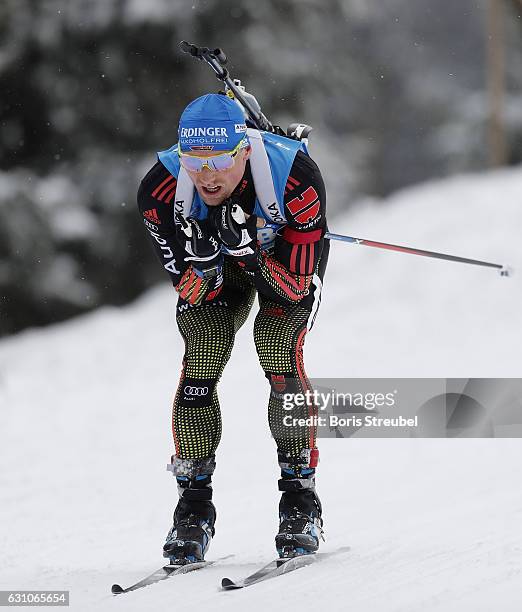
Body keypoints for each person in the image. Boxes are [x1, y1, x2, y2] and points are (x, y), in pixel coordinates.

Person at [137, 92, 329, 563]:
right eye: (193, 160)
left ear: (245, 149)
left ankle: (300, 500)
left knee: (277, 345)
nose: (206, 175)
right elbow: (190, 291)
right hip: (223, 272)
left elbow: (293, 287)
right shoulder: (160, 191)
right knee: (204, 349)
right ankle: (193, 507)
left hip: (282, 265)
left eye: (220, 159)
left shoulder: (296, 181)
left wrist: (251, 249)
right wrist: (206, 266)